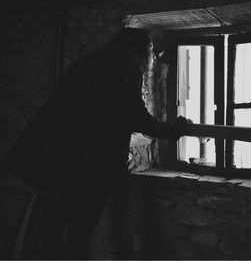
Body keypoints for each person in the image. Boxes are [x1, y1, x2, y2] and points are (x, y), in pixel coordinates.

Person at [1, 28, 189, 259]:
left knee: (51, 231)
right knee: (79, 234)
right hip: (89, 168)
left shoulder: (88, 65)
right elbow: (138, 117)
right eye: (148, 52)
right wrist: (175, 130)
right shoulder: (125, 74)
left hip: (55, 161)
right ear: (139, 53)